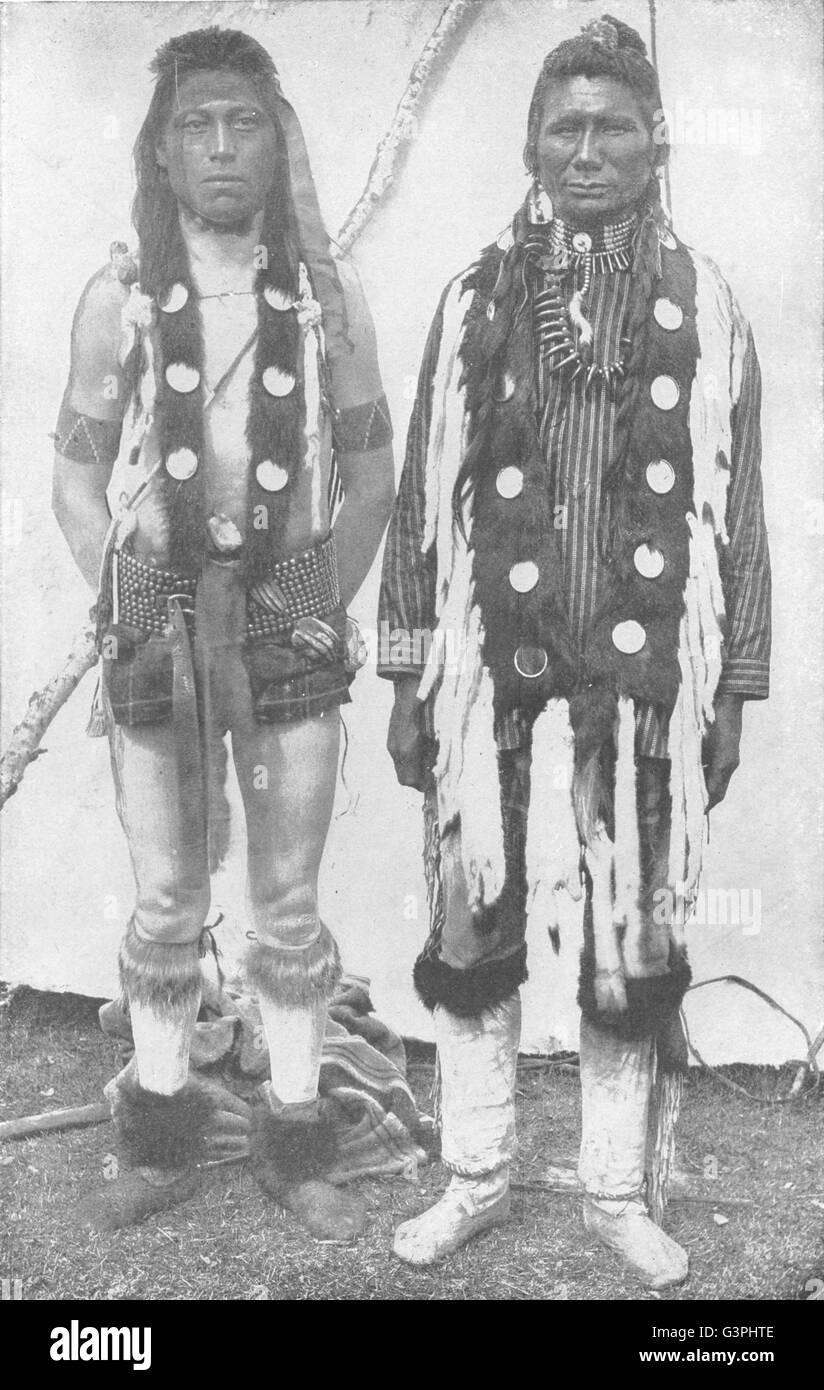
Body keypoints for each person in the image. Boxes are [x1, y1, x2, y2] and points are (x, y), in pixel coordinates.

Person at [378, 14, 769, 1287]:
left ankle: (611, 1191)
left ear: (654, 143)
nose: (586, 148)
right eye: (564, 126)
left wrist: (731, 688)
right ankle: (477, 1174)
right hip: (489, 651)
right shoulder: (470, 298)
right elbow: (416, 506)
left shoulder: (707, 310)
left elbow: (738, 512)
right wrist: (403, 673)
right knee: (470, 908)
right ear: (531, 144)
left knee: (633, 927)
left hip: (647, 659)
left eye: (611, 126)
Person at [52, 26, 394, 1239]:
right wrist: (127, 593)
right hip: (155, 620)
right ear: (160, 147)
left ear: (276, 136)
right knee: (162, 900)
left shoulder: (326, 296)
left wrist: (314, 600)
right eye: (193, 124)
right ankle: (157, 1131)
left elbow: (370, 473)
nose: (219, 147)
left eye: (241, 121)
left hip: (286, 618)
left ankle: (297, 1138)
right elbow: (76, 479)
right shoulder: (121, 296)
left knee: (287, 903)